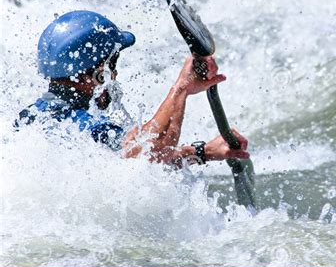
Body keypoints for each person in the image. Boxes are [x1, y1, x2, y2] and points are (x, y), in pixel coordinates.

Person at [15, 10, 250, 167]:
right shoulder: (78, 123)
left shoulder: (29, 118)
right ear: (98, 72)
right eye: (112, 64)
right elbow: (149, 155)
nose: (115, 75)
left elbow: (125, 161)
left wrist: (203, 152)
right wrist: (182, 88)